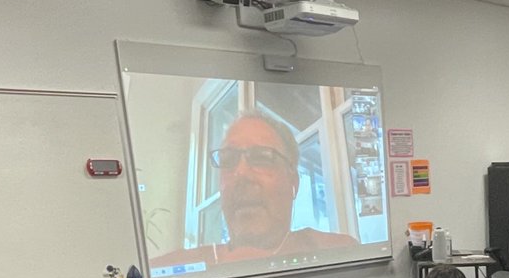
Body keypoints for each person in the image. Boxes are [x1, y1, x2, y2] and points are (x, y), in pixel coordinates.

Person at [150, 112, 356, 268]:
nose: (241, 174)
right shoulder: (173, 270)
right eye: (228, 159)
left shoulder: (338, 254)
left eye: (262, 157)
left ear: (293, 182)